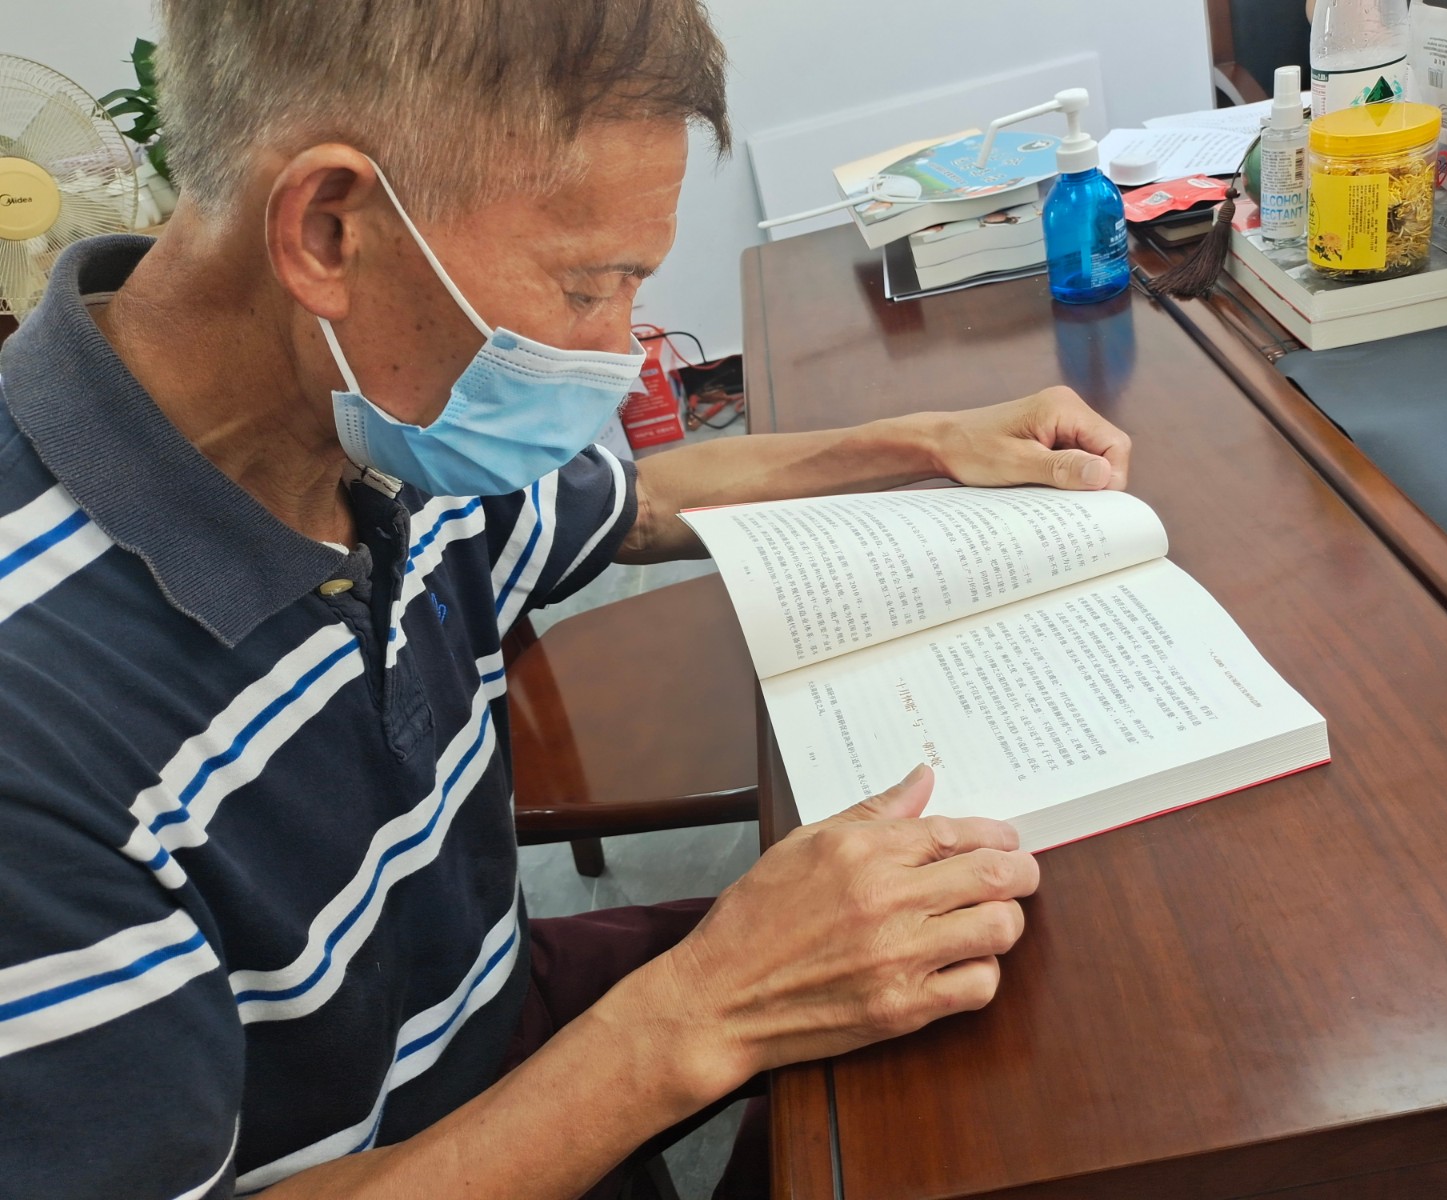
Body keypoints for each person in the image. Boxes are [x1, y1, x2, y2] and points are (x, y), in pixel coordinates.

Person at [0, 1, 1133, 1197]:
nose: (622, 351)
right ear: (328, 232)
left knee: (1002, 964)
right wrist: (697, 1016)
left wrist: (923, 445)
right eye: (590, 287)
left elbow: (631, 504)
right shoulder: (39, 736)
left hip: (486, 1021)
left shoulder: (368, 414)